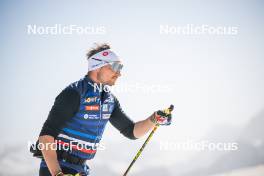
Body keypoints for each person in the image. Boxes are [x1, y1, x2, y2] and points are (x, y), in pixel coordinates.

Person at [36, 43, 172, 176]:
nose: (119, 73)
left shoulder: (109, 100)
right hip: (56, 168)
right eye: (115, 67)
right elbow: (46, 136)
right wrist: (57, 173)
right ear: (97, 66)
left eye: (121, 68)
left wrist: (154, 119)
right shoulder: (75, 93)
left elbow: (131, 131)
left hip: (80, 169)